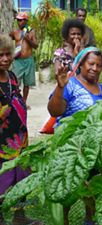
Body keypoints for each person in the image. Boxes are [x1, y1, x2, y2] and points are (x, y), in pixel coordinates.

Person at [0, 34, 30, 221]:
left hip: (19, 138)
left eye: (7, 54)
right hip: (2, 141)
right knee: (2, 180)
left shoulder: (11, 76)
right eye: (0, 55)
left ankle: (20, 217)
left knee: (21, 179)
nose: (5, 59)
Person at [48, 47, 102, 124]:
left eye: (99, 65)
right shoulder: (69, 84)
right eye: (91, 64)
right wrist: (60, 87)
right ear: (81, 64)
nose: (95, 68)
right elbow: (54, 112)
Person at [10, 12, 38, 107]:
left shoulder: (31, 31)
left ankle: (24, 102)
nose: (19, 22)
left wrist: (28, 39)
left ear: (26, 20)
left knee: (27, 83)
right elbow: (8, 40)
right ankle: (16, 101)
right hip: (18, 61)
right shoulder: (15, 32)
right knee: (15, 82)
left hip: (28, 60)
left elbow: (36, 46)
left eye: (21, 20)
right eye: (18, 20)